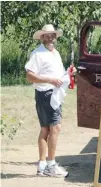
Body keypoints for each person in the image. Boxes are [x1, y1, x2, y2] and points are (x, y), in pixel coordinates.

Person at [24, 24, 76, 177]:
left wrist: (68, 73)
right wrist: (50, 80)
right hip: (46, 94)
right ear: (42, 37)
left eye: (52, 35)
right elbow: (29, 76)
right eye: (47, 35)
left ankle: (42, 166)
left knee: (46, 129)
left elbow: (57, 75)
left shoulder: (55, 53)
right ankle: (51, 165)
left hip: (52, 93)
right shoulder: (37, 54)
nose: (50, 37)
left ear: (55, 37)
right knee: (55, 128)